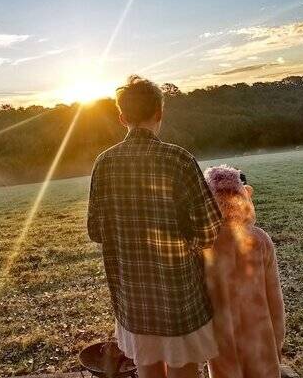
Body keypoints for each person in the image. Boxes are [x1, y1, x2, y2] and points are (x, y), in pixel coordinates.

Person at [87, 76, 223, 378]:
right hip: (179, 299)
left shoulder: (104, 163)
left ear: (122, 117)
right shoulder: (179, 160)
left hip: (133, 301)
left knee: (147, 370)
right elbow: (209, 229)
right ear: (159, 114)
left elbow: (96, 230)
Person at [203, 165, 285, 378]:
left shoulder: (204, 244)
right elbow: (274, 298)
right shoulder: (260, 241)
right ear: (244, 196)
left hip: (221, 338)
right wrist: (278, 339)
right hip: (261, 339)